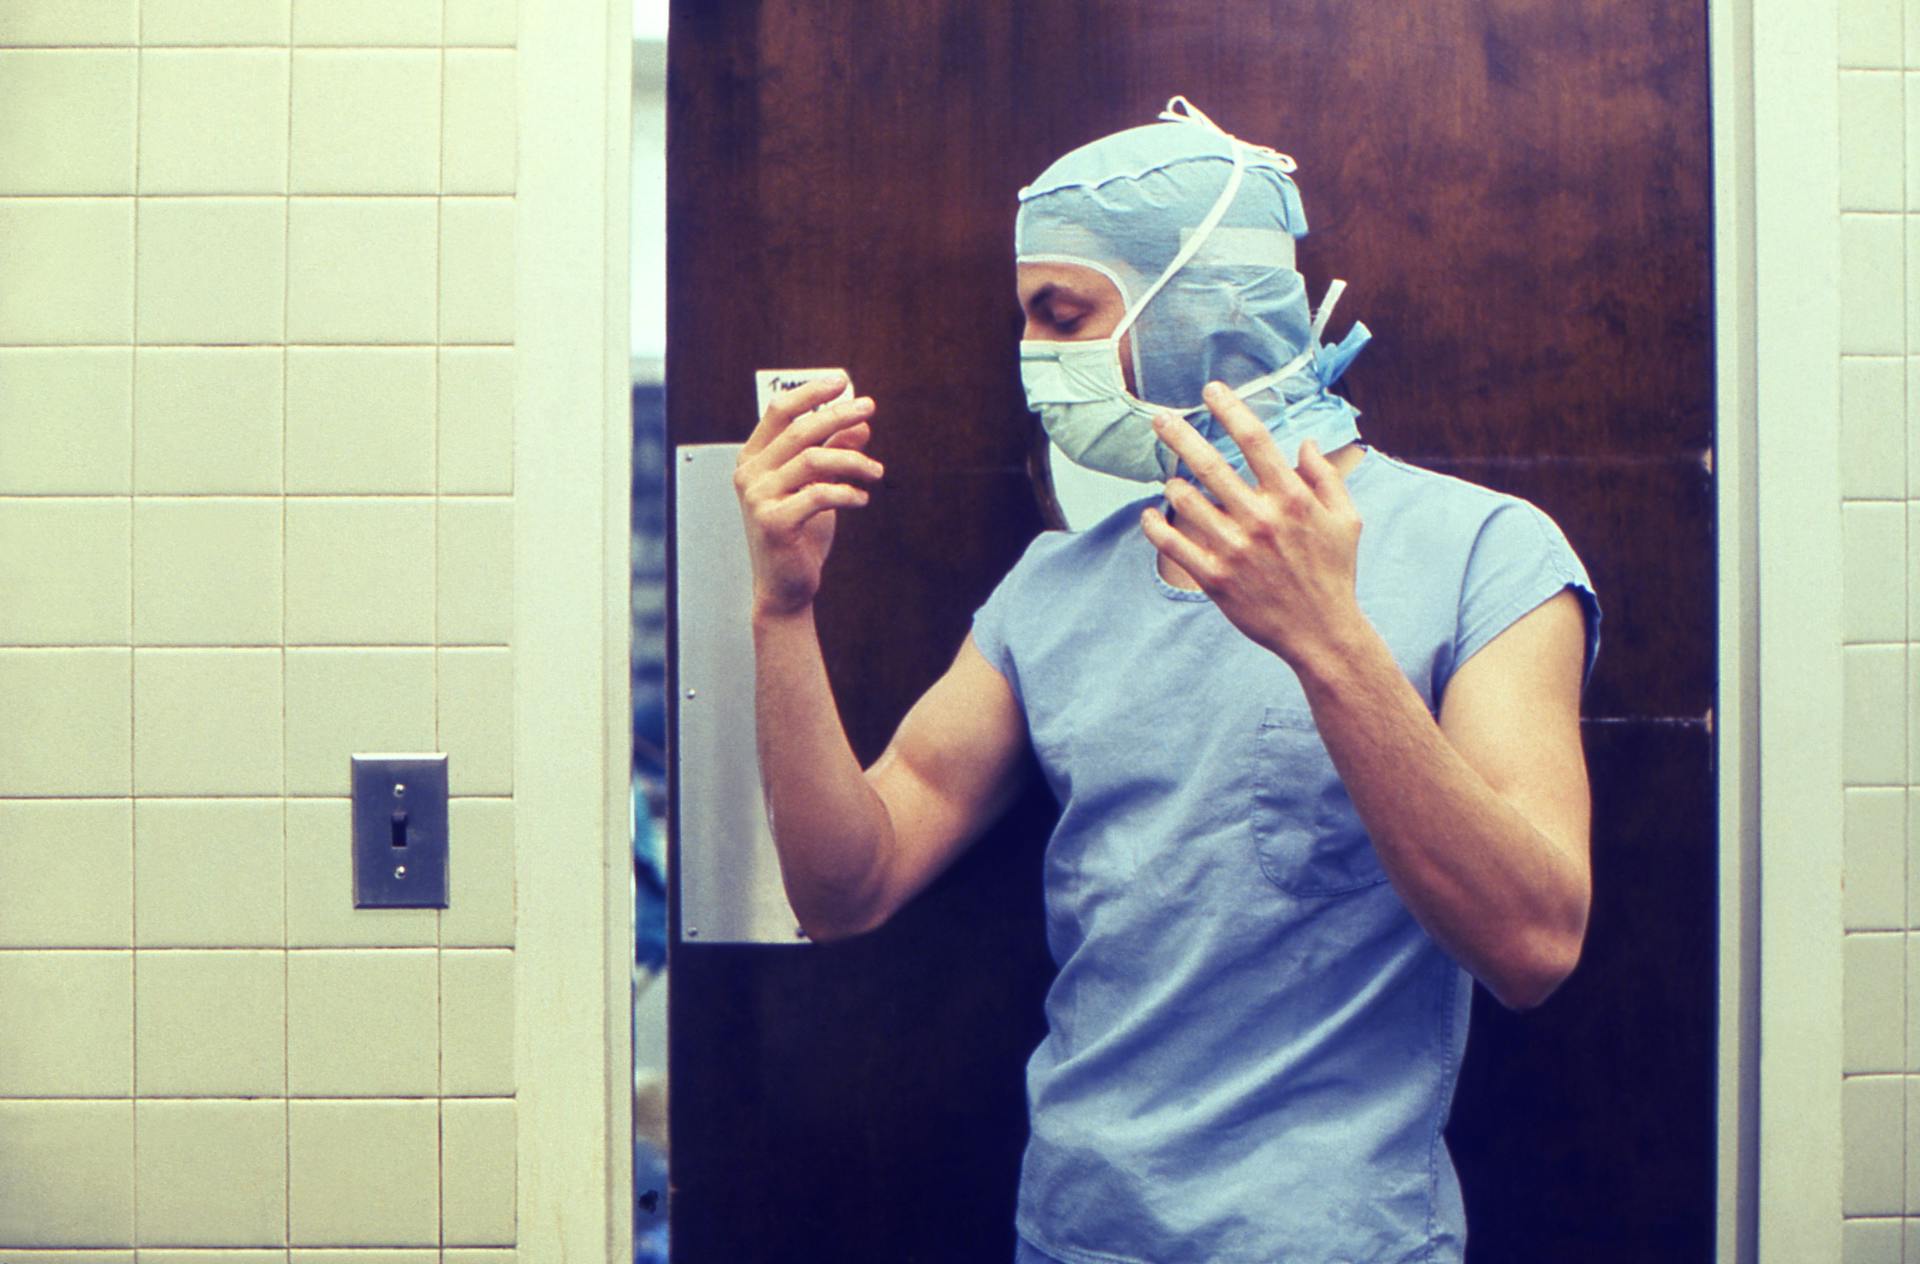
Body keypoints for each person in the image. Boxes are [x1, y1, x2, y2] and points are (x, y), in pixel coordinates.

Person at [732, 97, 1599, 1264]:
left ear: (1199, 304)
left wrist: (1326, 641)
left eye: (1064, 315)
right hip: (1077, 1235)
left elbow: (1535, 942)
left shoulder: (1487, 552)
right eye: (1029, 323)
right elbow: (847, 888)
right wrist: (783, 609)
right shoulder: (1054, 589)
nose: (1038, 360)